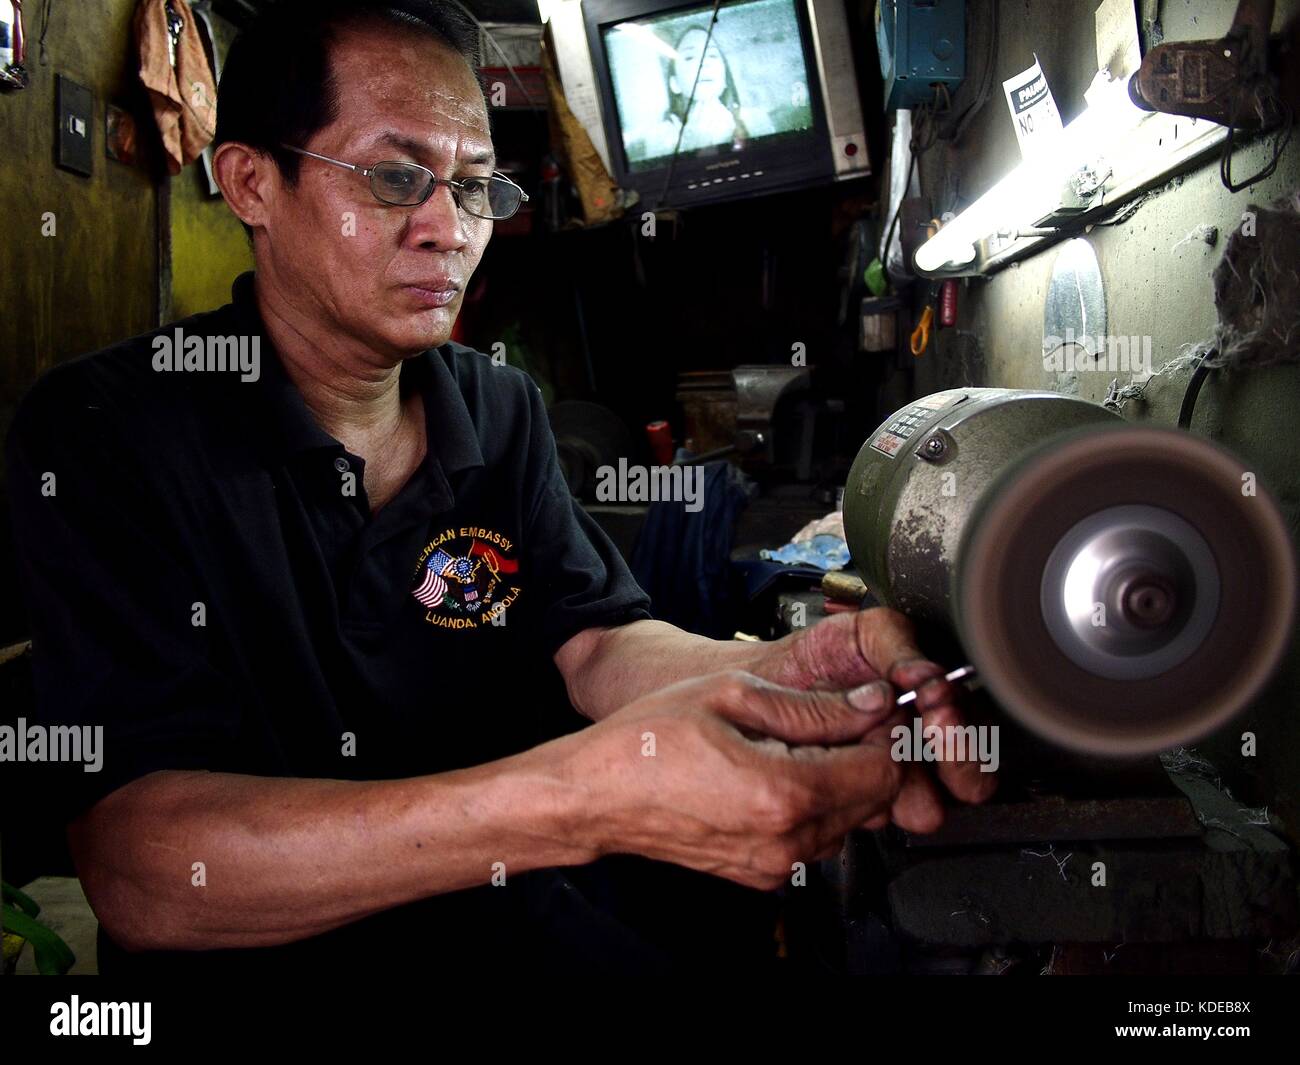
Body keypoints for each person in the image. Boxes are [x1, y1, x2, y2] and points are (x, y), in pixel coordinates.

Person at [5, 0, 994, 973]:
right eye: (396, 178)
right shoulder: (110, 430)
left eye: (475, 187)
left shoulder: (496, 406)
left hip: (499, 928)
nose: (447, 228)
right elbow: (145, 875)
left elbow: (597, 639)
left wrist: (787, 673)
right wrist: (577, 798)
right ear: (252, 183)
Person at [629, 25, 775, 162]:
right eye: (690, 57)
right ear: (675, 84)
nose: (703, 63)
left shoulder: (756, 119)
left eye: (711, 55)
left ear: (725, 78)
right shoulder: (659, 137)